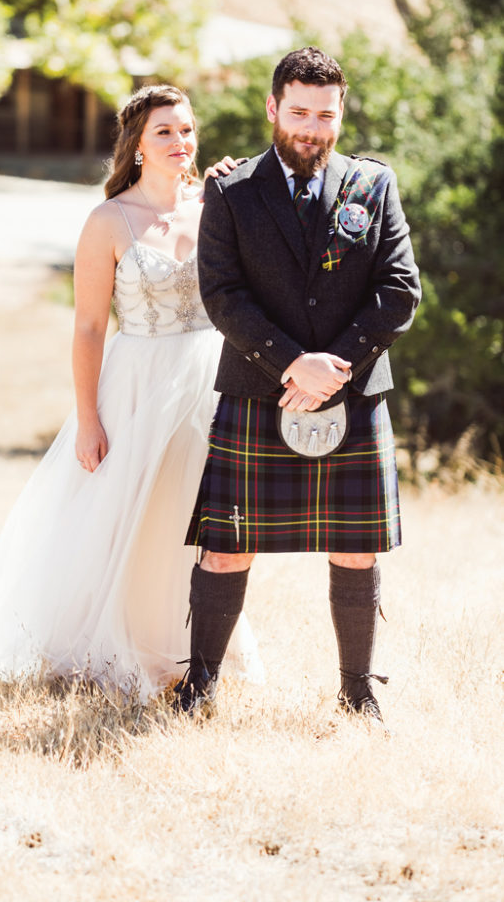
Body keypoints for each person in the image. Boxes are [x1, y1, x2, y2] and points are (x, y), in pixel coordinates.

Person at [0, 84, 262, 700]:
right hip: (137, 387)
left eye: (187, 130)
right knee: (129, 514)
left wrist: (236, 187)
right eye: (165, 132)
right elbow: (90, 327)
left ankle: (196, 654)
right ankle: (113, 646)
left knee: (200, 520)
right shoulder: (107, 221)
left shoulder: (217, 207)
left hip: (211, 382)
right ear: (138, 146)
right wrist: (88, 418)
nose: (182, 142)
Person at [176, 47, 421, 724]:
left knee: (357, 545)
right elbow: (221, 295)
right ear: (272, 109)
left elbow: (399, 290)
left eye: (324, 114)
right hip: (259, 388)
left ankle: (357, 691)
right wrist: (290, 364)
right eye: (298, 112)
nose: (310, 128)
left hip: (351, 389)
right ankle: (200, 688)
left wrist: (332, 366)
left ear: (340, 112)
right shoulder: (230, 190)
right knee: (225, 547)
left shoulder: (372, 184)